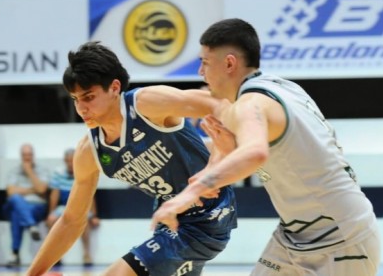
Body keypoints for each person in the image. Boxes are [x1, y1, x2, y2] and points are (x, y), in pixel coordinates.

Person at [152, 18, 381, 275]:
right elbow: (275, 151)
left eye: (205, 63)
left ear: (229, 63)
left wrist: (187, 195)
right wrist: (224, 157)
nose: (200, 72)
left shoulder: (251, 103)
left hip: (340, 237)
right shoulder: (282, 87)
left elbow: (255, 153)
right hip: (294, 235)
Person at [26, 42, 237, 276]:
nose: (81, 108)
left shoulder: (146, 104)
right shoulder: (89, 150)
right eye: (76, 99)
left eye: (89, 97)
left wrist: (214, 169)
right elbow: (71, 221)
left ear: (114, 87)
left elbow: (222, 103)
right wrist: (33, 273)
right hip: (170, 221)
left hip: (209, 214)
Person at [45, 148, 99, 267]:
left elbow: (90, 194)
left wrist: (94, 215)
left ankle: (87, 254)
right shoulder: (58, 173)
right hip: (64, 206)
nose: (70, 164)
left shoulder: (84, 171)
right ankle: (55, 256)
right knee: (51, 220)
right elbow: (54, 194)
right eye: (68, 161)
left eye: (72, 161)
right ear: (65, 161)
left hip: (81, 206)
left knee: (85, 221)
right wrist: (51, 212)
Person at [4, 143, 49, 268]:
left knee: (16, 213)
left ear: (33, 155)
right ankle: (31, 225)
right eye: (24, 155)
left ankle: (15, 254)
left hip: (37, 208)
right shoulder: (13, 171)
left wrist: (29, 171)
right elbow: (10, 192)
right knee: (16, 200)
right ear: (21, 156)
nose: (27, 158)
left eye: (29, 155)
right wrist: (32, 190)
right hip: (20, 206)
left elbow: (41, 190)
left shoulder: (42, 170)